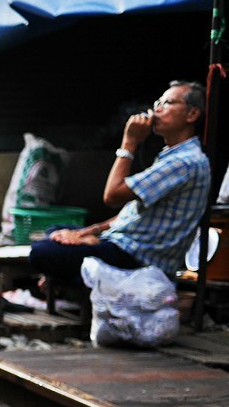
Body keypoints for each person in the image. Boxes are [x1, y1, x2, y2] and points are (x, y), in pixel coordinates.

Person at [29, 80, 211, 285]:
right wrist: (90, 232)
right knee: (55, 230)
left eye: (167, 103)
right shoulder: (173, 156)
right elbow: (133, 211)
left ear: (191, 114)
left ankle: (71, 278)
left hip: (138, 258)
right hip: (122, 242)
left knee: (42, 252)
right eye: (157, 102)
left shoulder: (184, 162)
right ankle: (77, 269)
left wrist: (129, 143)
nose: (156, 109)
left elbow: (112, 196)